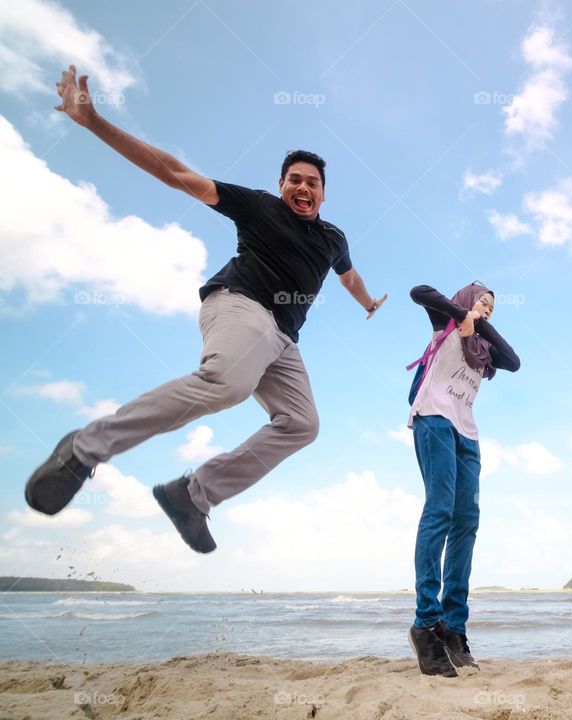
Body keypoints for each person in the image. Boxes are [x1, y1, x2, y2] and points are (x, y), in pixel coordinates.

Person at [24, 66, 387, 554]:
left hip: (282, 341)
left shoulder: (333, 237)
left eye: (313, 183)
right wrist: (95, 123)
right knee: (227, 383)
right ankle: (83, 449)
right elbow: (176, 174)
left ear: (324, 192)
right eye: (295, 180)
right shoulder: (259, 207)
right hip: (241, 307)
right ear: (281, 185)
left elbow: (350, 275)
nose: (303, 188)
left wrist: (367, 303)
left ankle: (192, 495)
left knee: (302, 425)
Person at [405, 283, 520, 677]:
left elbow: (514, 360)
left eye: (492, 306)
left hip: (467, 433)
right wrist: (462, 315)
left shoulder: (484, 347)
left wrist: (480, 327)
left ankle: (454, 627)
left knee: (467, 522)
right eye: (482, 302)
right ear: (467, 301)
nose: (486, 309)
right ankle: (426, 624)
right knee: (439, 511)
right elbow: (418, 291)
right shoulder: (447, 321)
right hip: (434, 419)